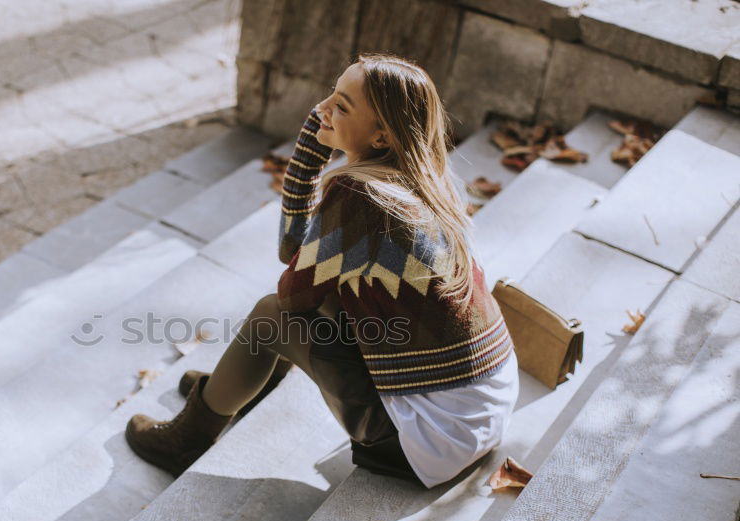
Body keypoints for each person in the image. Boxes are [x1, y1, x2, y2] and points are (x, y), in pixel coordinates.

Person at [124, 53, 520, 488]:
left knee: (269, 316)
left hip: (427, 439)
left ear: (382, 136)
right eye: (333, 91)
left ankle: (187, 438)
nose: (322, 108)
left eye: (343, 105)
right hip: (478, 410)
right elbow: (308, 267)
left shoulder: (362, 196)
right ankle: (236, 387)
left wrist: (307, 162)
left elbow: (292, 286)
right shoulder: (421, 181)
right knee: (325, 295)